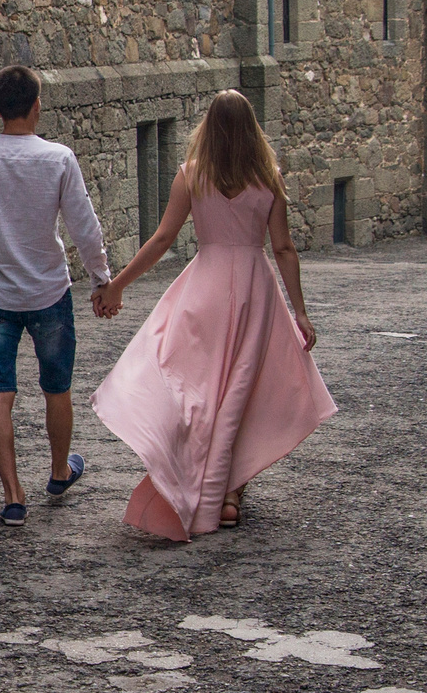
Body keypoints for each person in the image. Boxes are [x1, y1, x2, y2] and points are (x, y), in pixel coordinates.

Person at [89, 89, 335, 539]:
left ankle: (202, 484)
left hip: (204, 287)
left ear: (208, 127)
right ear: (250, 129)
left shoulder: (192, 175)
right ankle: (226, 495)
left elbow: (162, 239)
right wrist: (299, 311)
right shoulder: (269, 178)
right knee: (241, 390)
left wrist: (117, 285)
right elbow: (283, 247)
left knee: (196, 387)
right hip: (255, 291)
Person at [0, 66, 115, 527]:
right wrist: (102, 279)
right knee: (56, 388)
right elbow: (85, 227)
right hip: (48, 292)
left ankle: (12, 495)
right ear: (38, 106)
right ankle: (59, 471)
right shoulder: (59, 159)